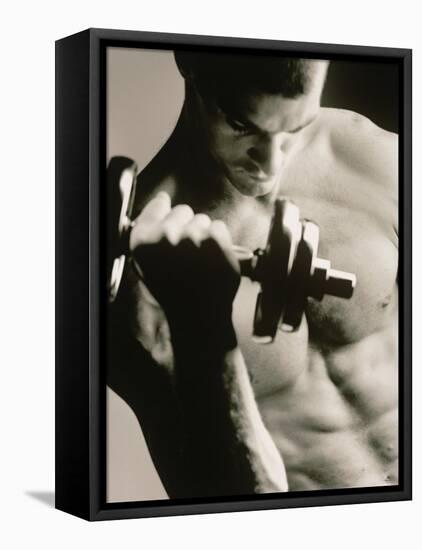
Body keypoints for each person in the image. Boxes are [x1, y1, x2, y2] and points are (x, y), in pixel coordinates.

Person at [107, 52, 398, 498]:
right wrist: (201, 325)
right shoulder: (135, 279)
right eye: (243, 126)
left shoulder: (376, 159)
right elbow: (222, 504)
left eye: (294, 129)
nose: (270, 163)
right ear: (189, 61)